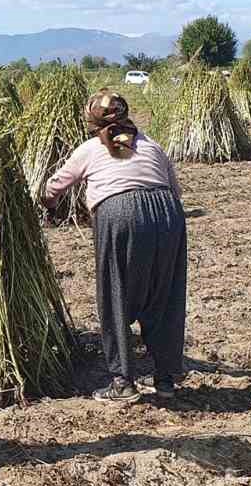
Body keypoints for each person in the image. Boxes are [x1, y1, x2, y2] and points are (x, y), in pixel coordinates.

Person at [42, 89, 187, 402]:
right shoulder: (151, 144)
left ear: (92, 121)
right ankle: (164, 380)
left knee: (116, 293)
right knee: (165, 294)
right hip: (168, 213)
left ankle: (122, 382)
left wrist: (48, 205)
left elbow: (55, 185)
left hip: (120, 213)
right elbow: (174, 190)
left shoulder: (90, 148)